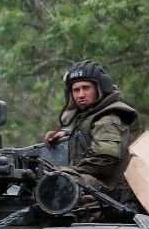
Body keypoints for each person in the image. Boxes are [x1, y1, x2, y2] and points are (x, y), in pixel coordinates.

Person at [43, 60, 142, 194]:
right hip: (95, 185)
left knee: (53, 182)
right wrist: (66, 133)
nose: (81, 95)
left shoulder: (107, 118)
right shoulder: (91, 115)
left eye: (86, 88)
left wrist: (67, 172)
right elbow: (90, 132)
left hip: (109, 191)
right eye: (76, 90)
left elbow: (103, 160)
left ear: (99, 88)